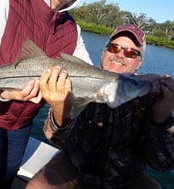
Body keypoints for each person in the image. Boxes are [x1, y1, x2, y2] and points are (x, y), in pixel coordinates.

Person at [26, 24, 174, 189]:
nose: (119, 55)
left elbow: (163, 164)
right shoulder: (76, 79)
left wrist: (162, 116)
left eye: (131, 53)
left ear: (139, 63)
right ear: (104, 53)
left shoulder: (150, 95)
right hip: (74, 166)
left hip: (126, 178)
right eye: (113, 48)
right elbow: (56, 139)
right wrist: (60, 108)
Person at [0, 0, 92, 188]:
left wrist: (121, 81)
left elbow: (90, 74)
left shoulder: (73, 30)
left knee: (9, 174)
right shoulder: (9, 5)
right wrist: (7, 94)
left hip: (23, 123)